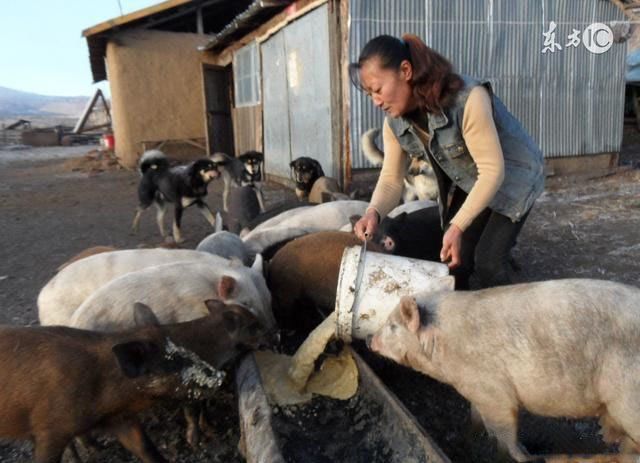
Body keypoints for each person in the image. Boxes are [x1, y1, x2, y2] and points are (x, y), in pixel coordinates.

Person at [351, 34, 544, 289]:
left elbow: (492, 171)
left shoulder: (468, 99)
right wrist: (373, 213)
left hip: (515, 176)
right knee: (459, 260)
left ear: (405, 71)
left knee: (487, 263)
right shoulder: (394, 124)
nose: (376, 101)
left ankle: (515, 312)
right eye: (369, 95)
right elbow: (390, 180)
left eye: (378, 90)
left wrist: (457, 226)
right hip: (474, 178)